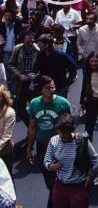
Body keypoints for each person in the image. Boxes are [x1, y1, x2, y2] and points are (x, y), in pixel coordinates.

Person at [26, 75, 72, 208]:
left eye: (53, 87)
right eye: (48, 88)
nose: (52, 90)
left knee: (58, 178)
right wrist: (29, 148)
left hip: (59, 146)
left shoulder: (63, 104)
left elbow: (69, 128)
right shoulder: (34, 103)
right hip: (42, 145)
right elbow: (32, 127)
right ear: (40, 89)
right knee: (47, 176)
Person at [44, 112, 97, 208]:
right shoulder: (54, 141)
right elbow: (46, 161)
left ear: (71, 130)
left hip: (79, 187)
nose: (62, 135)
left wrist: (89, 174)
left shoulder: (82, 141)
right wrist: (51, 167)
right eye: (60, 132)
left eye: (65, 132)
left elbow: (93, 157)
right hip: (60, 186)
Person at [7, 30, 39, 126]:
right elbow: (10, 64)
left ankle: (35, 130)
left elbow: (42, 67)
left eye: (31, 42)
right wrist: (19, 75)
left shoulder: (37, 50)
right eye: (27, 42)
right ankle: (30, 127)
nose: (30, 44)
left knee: (35, 108)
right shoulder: (17, 49)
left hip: (33, 83)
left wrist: (35, 76)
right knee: (21, 110)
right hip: (20, 83)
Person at [80, 53, 98, 141]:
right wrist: (82, 103)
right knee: (88, 129)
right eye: (91, 61)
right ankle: (87, 149)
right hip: (91, 102)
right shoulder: (87, 72)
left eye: (96, 61)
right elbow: (84, 87)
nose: (94, 63)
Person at [0, 87, 15, 176]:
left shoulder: (10, 113)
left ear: (3, 97)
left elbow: (6, 136)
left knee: (6, 177)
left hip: (4, 151)